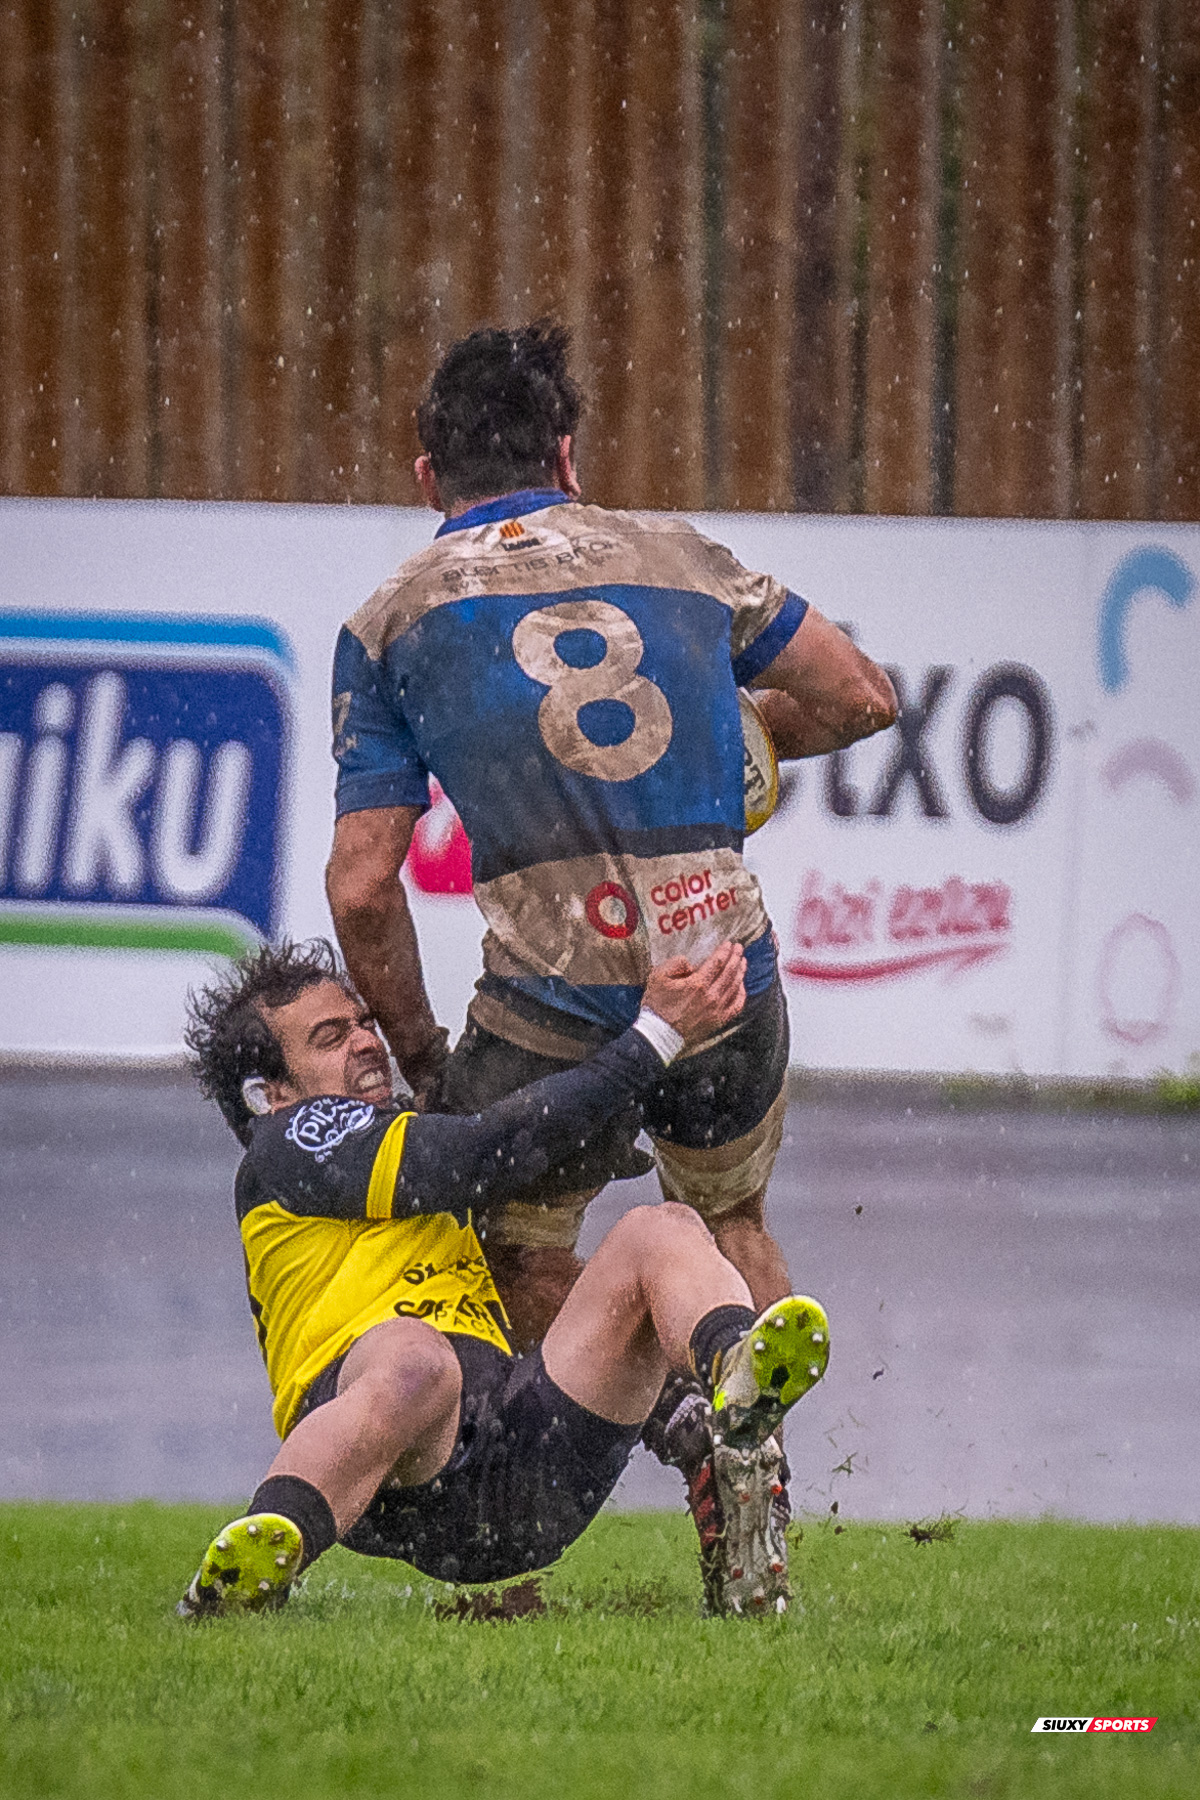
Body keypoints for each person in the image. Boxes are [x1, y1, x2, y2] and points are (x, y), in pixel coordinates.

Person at [324, 321, 894, 1604]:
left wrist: (423, 1059)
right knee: (727, 1220)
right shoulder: (677, 554)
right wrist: (739, 743)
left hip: (552, 1004)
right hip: (722, 967)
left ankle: (556, 1523)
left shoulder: (392, 618)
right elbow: (864, 695)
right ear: (568, 454)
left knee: (499, 1240)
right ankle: (757, 1507)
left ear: (427, 476)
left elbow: (362, 885)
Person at [178, 938, 829, 1619]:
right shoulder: (288, 1141)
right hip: (394, 1474)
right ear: (271, 1093)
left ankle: (734, 1374)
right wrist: (653, 1038)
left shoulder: (399, 1131)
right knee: (415, 1359)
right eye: (330, 1037)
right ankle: (237, 1578)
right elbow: (486, 1149)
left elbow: (503, 1152)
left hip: (525, 1468)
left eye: (364, 1023)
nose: (367, 1043)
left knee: (658, 1230)